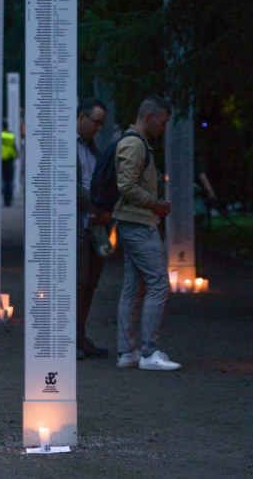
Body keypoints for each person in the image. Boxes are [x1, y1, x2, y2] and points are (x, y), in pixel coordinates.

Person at [113, 95, 181, 371]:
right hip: (139, 223)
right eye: (163, 122)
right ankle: (149, 353)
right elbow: (126, 185)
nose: (164, 127)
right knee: (158, 284)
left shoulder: (134, 143)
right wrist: (155, 204)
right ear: (149, 117)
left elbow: (127, 184)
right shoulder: (135, 144)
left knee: (133, 287)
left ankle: (128, 352)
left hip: (132, 221)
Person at [75, 98, 110, 360]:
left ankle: (79, 336)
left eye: (101, 123)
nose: (99, 128)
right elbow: (71, 186)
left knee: (89, 285)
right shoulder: (69, 148)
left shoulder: (92, 148)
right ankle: (70, 339)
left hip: (94, 225)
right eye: (96, 122)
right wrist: (98, 206)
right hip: (78, 224)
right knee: (77, 283)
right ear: (81, 118)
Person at [0, 121, 17, 207]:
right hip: (9, 161)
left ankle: (4, 196)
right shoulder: (11, 135)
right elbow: (14, 147)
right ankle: (8, 199)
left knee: (2, 180)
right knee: (9, 181)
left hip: (1, 160)